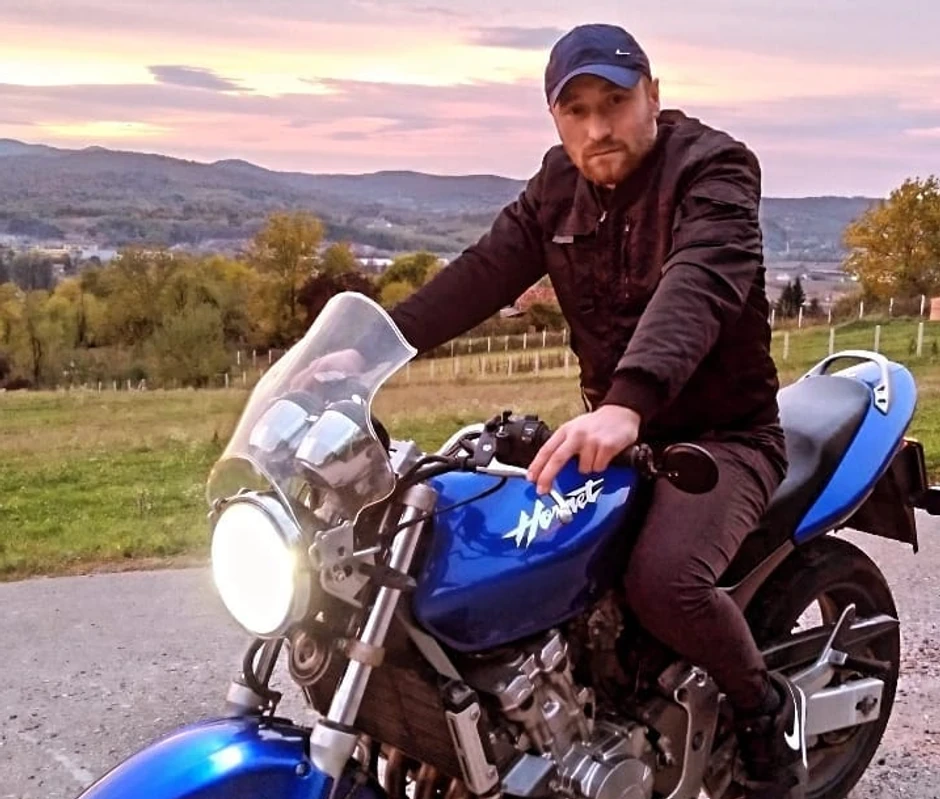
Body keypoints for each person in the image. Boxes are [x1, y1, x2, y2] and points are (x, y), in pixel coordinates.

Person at [315, 22, 807, 798]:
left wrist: (628, 401)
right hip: (615, 436)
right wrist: (374, 348)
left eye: (614, 101)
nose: (597, 126)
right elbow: (484, 272)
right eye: (575, 110)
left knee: (664, 582)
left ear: (653, 95)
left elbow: (700, 281)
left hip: (721, 437)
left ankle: (762, 712)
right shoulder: (556, 187)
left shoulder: (713, 168)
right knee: (497, 559)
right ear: (555, 119)